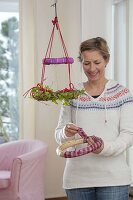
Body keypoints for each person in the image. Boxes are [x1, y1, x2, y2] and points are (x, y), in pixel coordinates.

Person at [55, 37, 133, 200]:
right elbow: (58, 135)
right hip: (77, 180)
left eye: (97, 62)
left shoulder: (122, 94)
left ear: (106, 60)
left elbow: (128, 134)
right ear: (81, 62)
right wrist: (66, 133)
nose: (92, 69)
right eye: (86, 63)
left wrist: (104, 148)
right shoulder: (72, 93)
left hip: (114, 180)